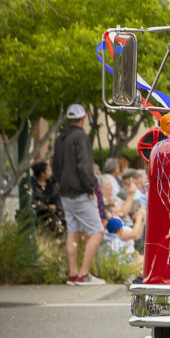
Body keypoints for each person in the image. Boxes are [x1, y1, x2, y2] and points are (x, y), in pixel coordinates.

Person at [52, 104, 106, 285]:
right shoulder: (81, 137)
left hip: (65, 193)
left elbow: (55, 168)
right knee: (97, 232)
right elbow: (84, 165)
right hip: (81, 192)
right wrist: (90, 188)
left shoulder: (60, 139)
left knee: (73, 233)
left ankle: (72, 273)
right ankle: (83, 275)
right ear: (83, 118)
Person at [30, 161, 65, 238]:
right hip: (38, 215)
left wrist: (56, 207)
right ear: (42, 174)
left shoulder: (53, 184)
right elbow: (32, 201)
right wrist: (47, 207)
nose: (50, 172)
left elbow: (58, 198)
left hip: (52, 215)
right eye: (48, 170)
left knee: (61, 225)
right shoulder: (32, 185)